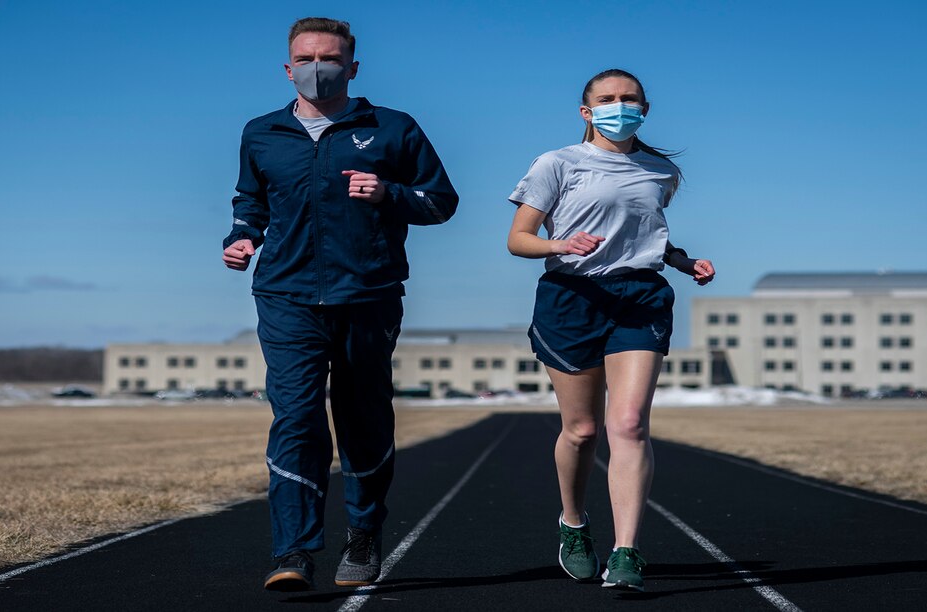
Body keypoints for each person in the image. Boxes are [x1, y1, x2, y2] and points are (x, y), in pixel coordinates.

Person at [221, 17, 458, 592]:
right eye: (305, 59)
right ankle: (294, 551)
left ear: (353, 67)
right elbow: (249, 201)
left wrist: (389, 193)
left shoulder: (391, 128)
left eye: (329, 59)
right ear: (287, 67)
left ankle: (363, 534)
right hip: (285, 294)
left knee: (363, 418)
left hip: (368, 295)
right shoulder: (262, 133)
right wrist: (241, 237)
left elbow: (441, 202)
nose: (317, 68)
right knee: (297, 417)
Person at [506, 68, 715, 592]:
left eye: (629, 98)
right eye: (607, 99)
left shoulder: (659, 170)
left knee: (629, 424)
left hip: (640, 297)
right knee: (582, 431)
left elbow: (641, 235)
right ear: (586, 111)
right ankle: (573, 524)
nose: (619, 106)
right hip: (572, 296)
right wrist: (561, 245)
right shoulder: (558, 164)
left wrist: (683, 261)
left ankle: (626, 552)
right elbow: (519, 238)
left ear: (644, 108)